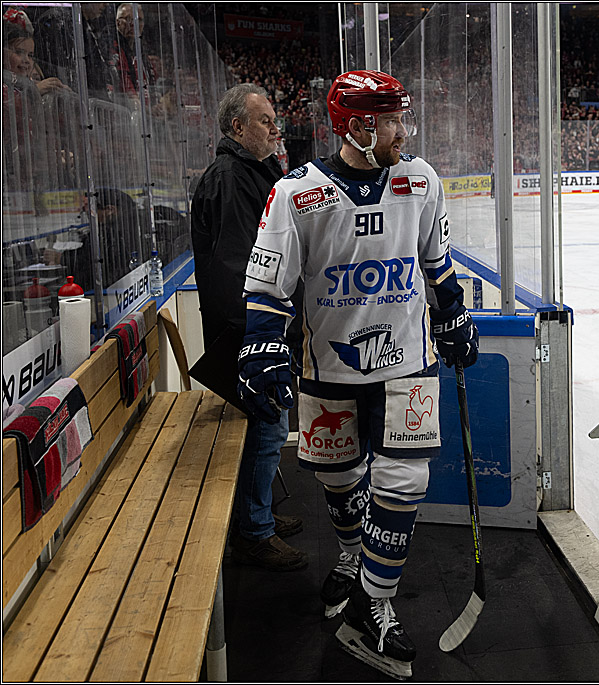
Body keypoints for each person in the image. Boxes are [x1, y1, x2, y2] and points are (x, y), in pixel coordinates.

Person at [238, 70, 478, 679]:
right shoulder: (298, 192)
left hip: (408, 366)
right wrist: (262, 345)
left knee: (403, 482)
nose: (405, 130)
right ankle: (352, 553)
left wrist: (452, 314)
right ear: (361, 128)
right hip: (329, 366)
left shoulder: (420, 181)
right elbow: (268, 284)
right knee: (340, 478)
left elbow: (437, 264)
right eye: (394, 120)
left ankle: (375, 602)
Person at [190, 83, 307, 571]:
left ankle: (256, 515)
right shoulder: (233, 178)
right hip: (248, 332)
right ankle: (254, 531)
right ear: (237, 127)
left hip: (253, 328)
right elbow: (239, 265)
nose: (275, 127)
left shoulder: (249, 173)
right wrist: (259, 340)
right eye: (264, 120)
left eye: (274, 118)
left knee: (267, 424)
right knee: (268, 423)